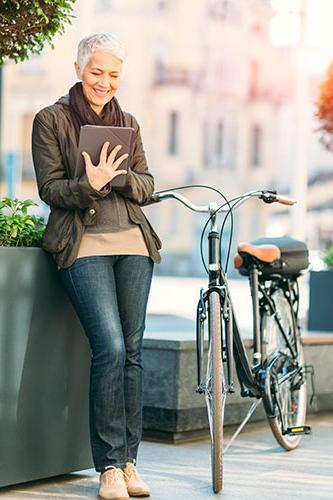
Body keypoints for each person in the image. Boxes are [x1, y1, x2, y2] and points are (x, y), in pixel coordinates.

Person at [32, 32, 162, 500]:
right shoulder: (51, 119)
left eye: (113, 74)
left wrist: (121, 177)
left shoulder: (127, 121)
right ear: (78, 69)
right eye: (96, 72)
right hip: (81, 242)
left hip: (132, 242)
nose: (104, 82)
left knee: (132, 350)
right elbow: (49, 188)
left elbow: (147, 184)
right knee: (108, 346)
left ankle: (130, 462)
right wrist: (89, 184)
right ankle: (107, 466)